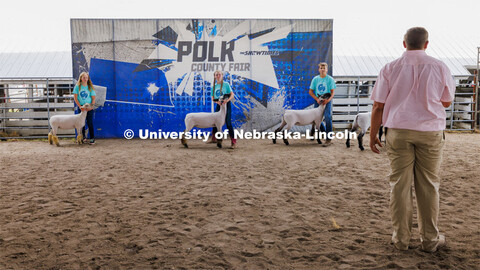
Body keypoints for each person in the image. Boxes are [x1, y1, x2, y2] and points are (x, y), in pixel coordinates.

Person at [369, 27, 455, 252]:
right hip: (430, 132)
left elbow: (378, 105)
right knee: (428, 185)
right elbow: (446, 102)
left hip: (398, 131)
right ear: (426, 44)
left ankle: (401, 240)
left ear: (404, 43)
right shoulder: (440, 67)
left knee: (399, 185)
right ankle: (430, 241)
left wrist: (372, 134)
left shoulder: (389, 68)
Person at [308, 62, 336, 146]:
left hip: (327, 100)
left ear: (327, 69)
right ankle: (324, 132)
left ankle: (329, 138)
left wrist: (328, 100)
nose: (322, 69)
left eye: (324, 68)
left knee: (327, 116)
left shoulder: (330, 79)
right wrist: (316, 99)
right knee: (317, 119)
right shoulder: (315, 79)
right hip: (318, 101)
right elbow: (310, 91)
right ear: (318, 69)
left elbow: (332, 92)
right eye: (321, 68)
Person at [209, 70, 236, 149]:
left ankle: (233, 142)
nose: (218, 76)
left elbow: (232, 95)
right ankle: (214, 138)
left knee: (228, 123)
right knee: (214, 121)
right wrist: (217, 102)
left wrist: (227, 100)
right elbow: (213, 98)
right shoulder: (213, 87)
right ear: (214, 76)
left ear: (222, 75)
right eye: (216, 75)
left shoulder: (226, 84)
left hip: (226, 105)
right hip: (219, 105)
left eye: (219, 74)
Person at [73, 72, 96, 144]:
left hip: (89, 107)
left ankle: (92, 138)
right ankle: (82, 138)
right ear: (81, 78)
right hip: (81, 107)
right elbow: (75, 98)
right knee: (81, 123)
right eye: (84, 78)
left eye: (86, 78)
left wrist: (91, 106)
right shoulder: (77, 87)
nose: (85, 79)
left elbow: (93, 98)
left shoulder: (90, 87)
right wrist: (80, 106)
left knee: (90, 122)